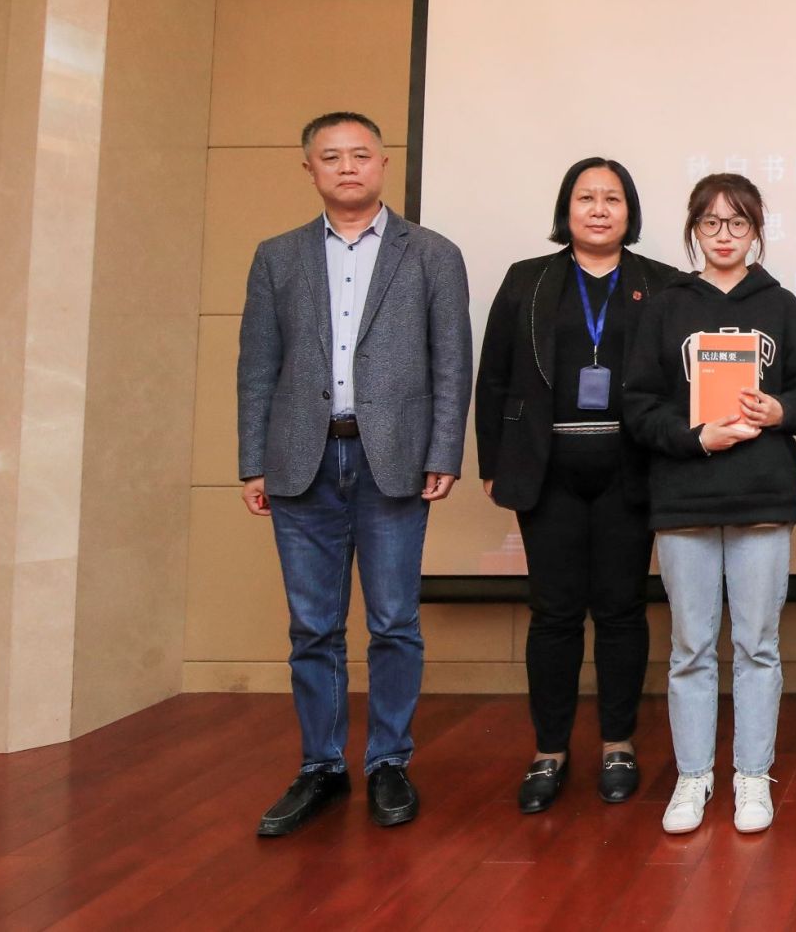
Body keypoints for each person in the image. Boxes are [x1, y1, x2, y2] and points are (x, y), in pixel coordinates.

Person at [237, 111, 472, 837]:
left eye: (360, 155)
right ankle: (322, 765)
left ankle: (389, 761)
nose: (347, 167)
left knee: (394, 621)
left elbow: (451, 363)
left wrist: (443, 452)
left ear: (384, 163)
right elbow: (257, 367)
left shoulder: (432, 253)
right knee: (313, 626)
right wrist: (253, 461)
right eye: (332, 156)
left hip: (390, 459)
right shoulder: (277, 256)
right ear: (309, 168)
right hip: (300, 459)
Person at [475, 157, 683, 813]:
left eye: (612, 199)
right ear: (566, 209)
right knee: (555, 612)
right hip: (547, 467)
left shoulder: (662, 284)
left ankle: (618, 743)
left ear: (630, 212)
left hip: (629, 466)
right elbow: (494, 376)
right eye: (586, 197)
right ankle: (550, 751)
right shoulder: (527, 280)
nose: (598, 209)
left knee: (621, 610)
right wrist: (491, 461)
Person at [625, 173, 796, 835]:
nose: (724, 235)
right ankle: (694, 775)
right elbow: (638, 405)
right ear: (694, 230)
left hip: (762, 496)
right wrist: (695, 436)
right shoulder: (665, 307)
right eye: (711, 222)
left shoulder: (783, 306)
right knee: (691, 646)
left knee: (758, 645)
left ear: (756, 230)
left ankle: (752, 775)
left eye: (737, 223)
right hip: (685, 497)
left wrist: (779, 409)